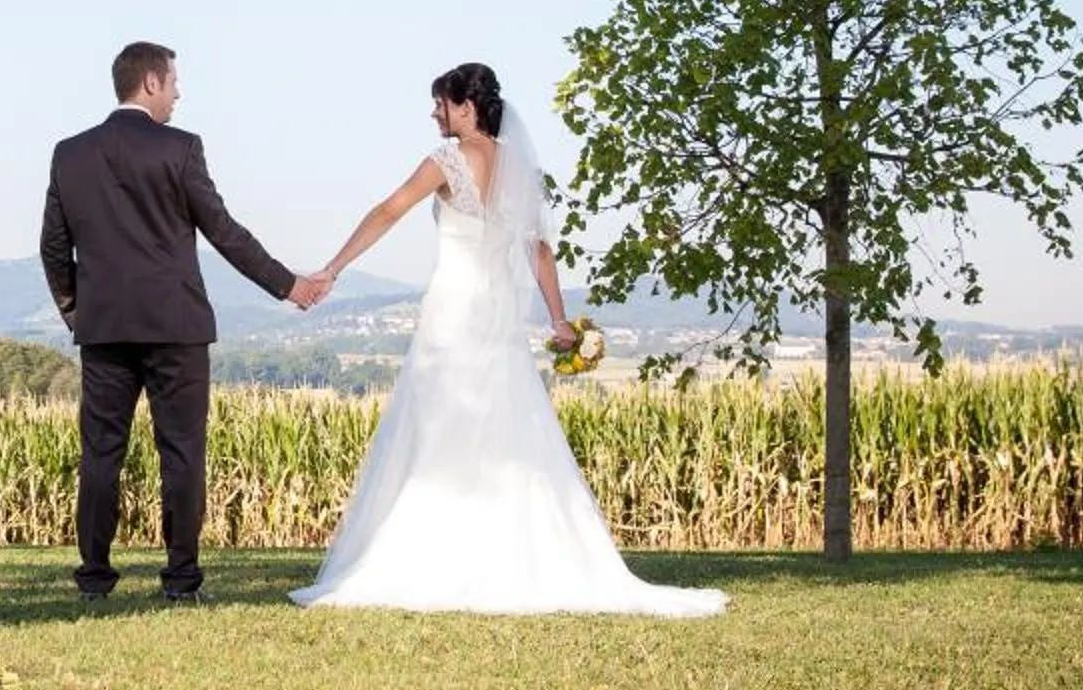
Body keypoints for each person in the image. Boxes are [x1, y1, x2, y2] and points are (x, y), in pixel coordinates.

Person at [289, 62, 726, 616]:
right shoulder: (519, 165)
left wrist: (332, 268)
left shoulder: (447, 160)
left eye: (440, 104)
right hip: (497, 320)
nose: (434, 113)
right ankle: (506, 556)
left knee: (438, 429)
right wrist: (559, 320)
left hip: (453, 314)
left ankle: (436, 559)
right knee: (504, 427)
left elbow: (388, 210)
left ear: (466, 108)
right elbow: (539, 249)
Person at [40, 41, 326, 603]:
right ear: (150, 83)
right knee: (182, 452)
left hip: (103, 330)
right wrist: (288, 284)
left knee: (100, 453)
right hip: (176, 326)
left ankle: (94, 579)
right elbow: (223, 230)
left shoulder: (68, 154)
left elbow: (53, 246)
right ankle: (180, 580)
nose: (178, 93)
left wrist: (77, 311)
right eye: (173, 82)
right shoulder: (180, 148)